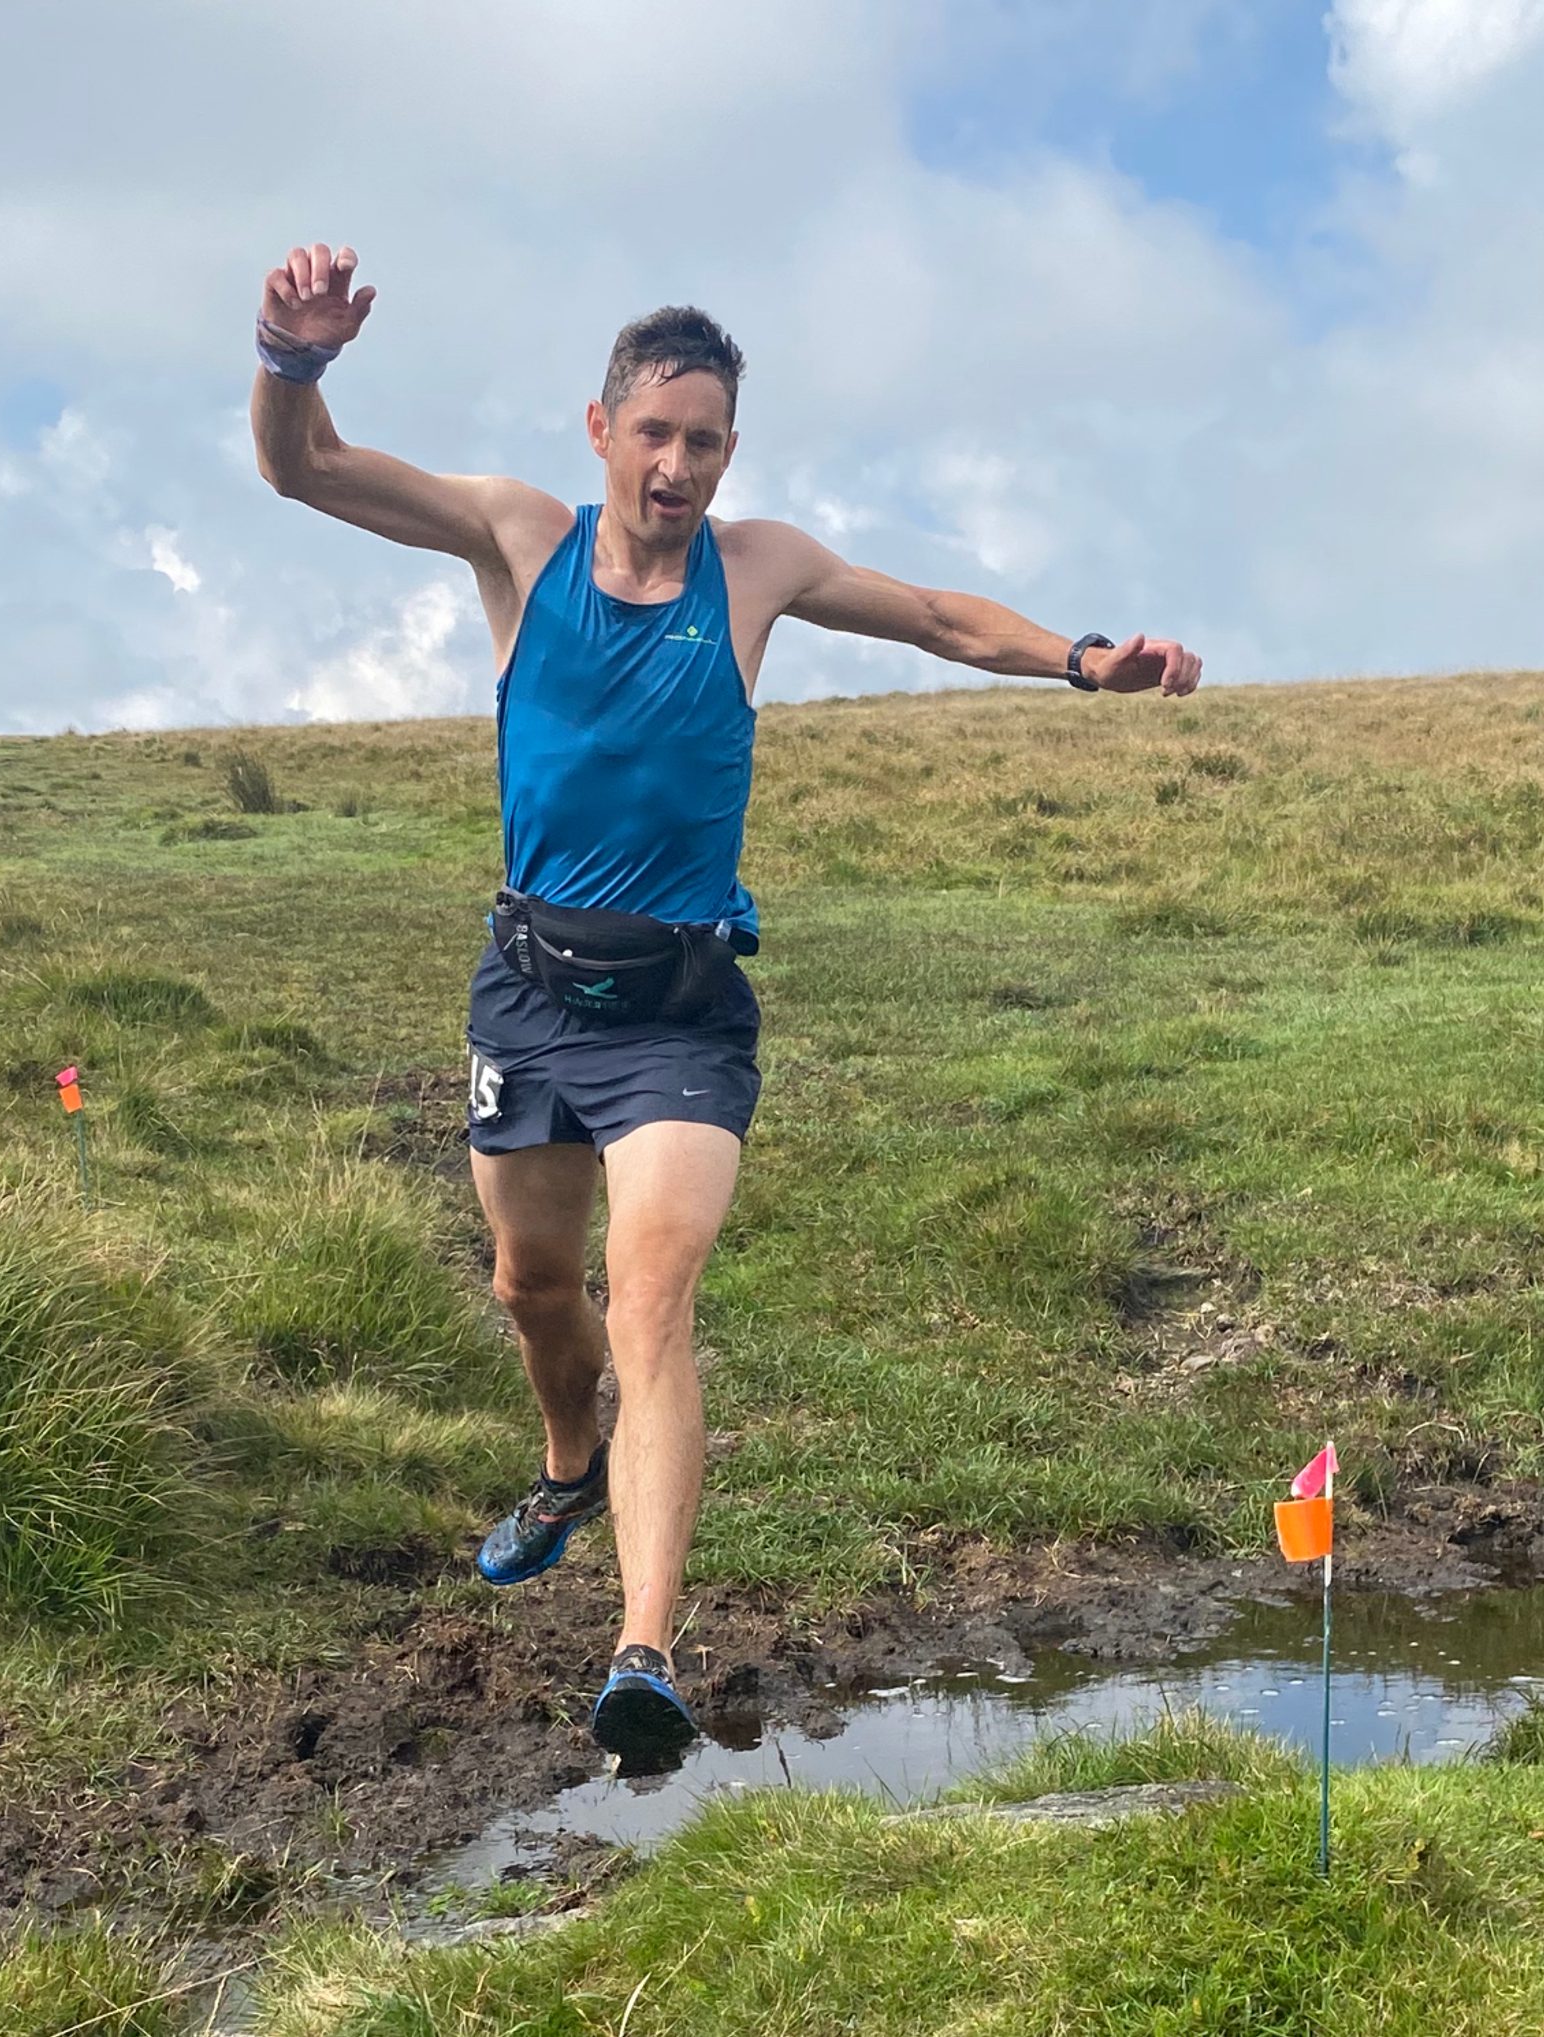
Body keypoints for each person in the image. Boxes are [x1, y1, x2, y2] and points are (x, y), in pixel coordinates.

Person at [251, 241, 1203, 1769]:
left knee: (652, 1299)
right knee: (531, 1287)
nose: (680, 464)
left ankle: (644, 1648)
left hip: (682, 1015)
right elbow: (308, 472)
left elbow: (942, 620)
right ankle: (569, 1466)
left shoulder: (756, 569)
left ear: (730, 451)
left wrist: (1088, 660)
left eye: (706, 440)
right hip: (529, 990)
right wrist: (289, 358)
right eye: (657, 434)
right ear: (602, 430)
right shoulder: (516, 539)